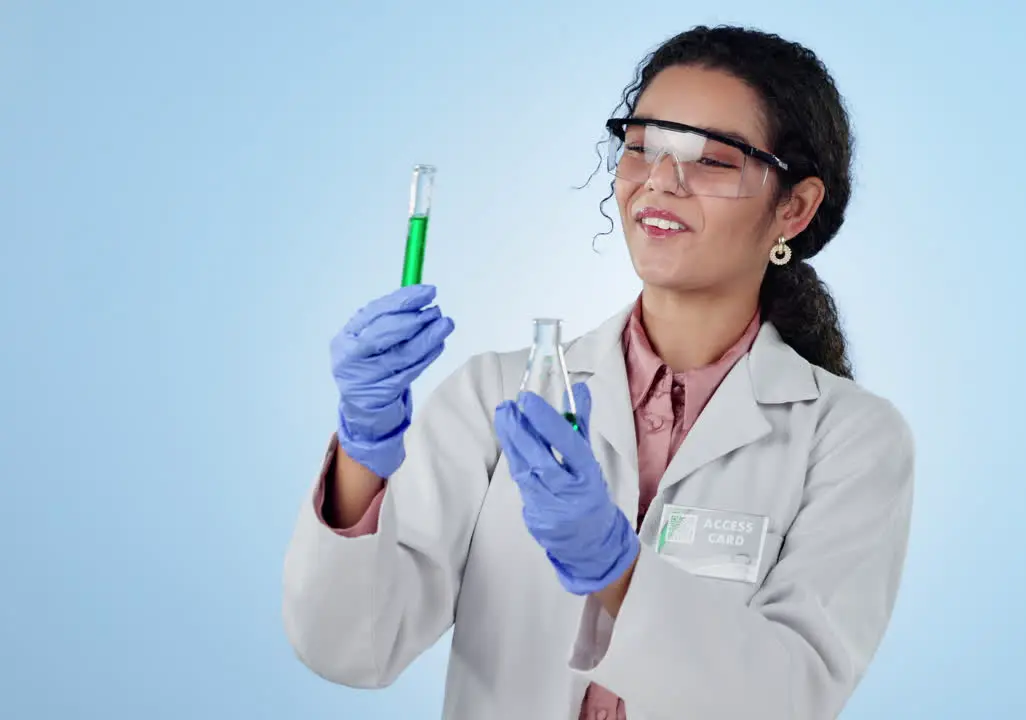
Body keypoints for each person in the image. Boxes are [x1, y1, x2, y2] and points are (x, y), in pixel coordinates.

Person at [282, 24, 915, 720]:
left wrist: (616, 570)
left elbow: (788, 696)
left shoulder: (851, 439)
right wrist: (362, 454)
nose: (661, 182)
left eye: (713, 160)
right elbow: (350, 648)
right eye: (644, 146)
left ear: (793, 208)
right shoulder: (497, 399)